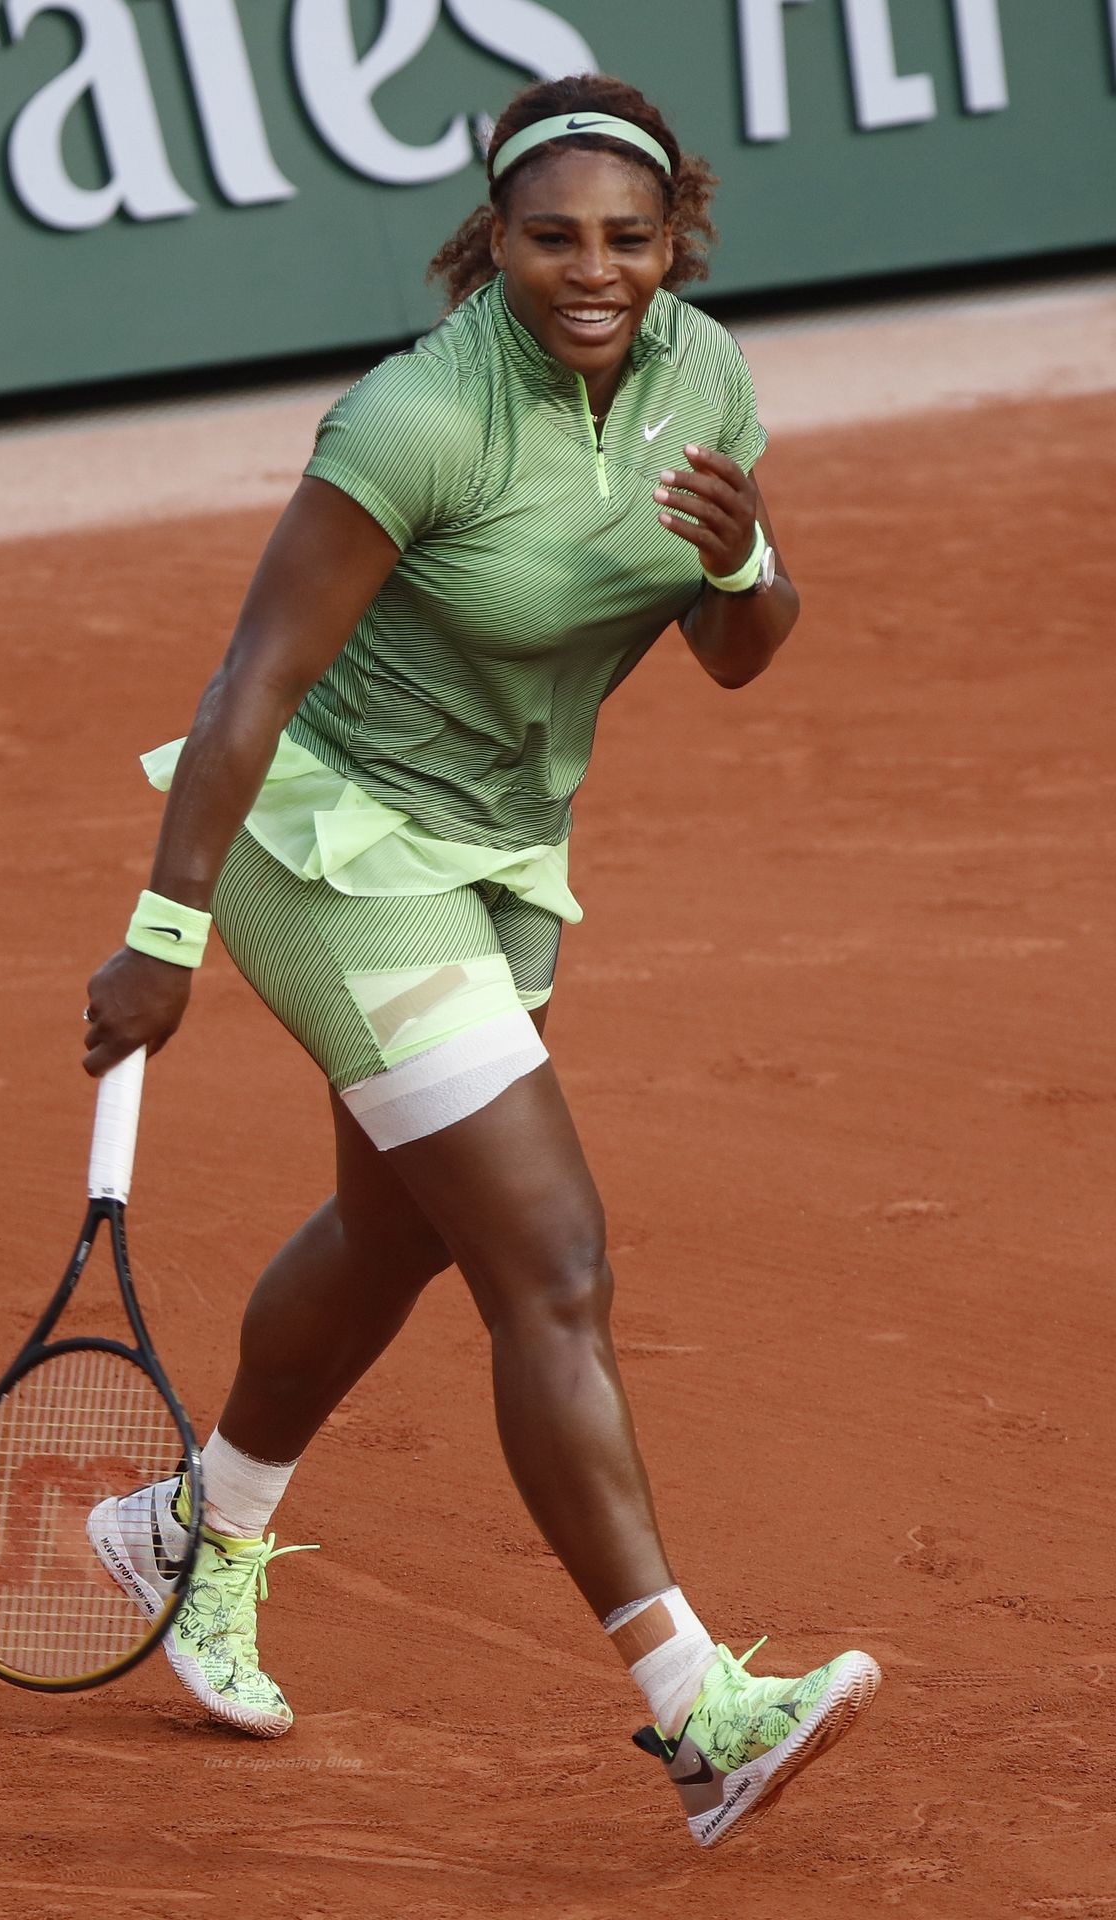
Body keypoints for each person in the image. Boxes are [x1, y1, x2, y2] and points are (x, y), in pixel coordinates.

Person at [82, 73, 880, 1851]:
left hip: (504, 857)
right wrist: (164, 932)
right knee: (551, 1258)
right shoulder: (415, 418)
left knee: (396, 1232)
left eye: (629, 238)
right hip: (333, 850)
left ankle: (192, 1530)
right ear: (491, 240)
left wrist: (747, 554)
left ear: (675, 237)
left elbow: (744, 648)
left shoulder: (703, 374)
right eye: (552, 239)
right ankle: (696, 1708)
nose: (593, 272)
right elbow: (252, 680)